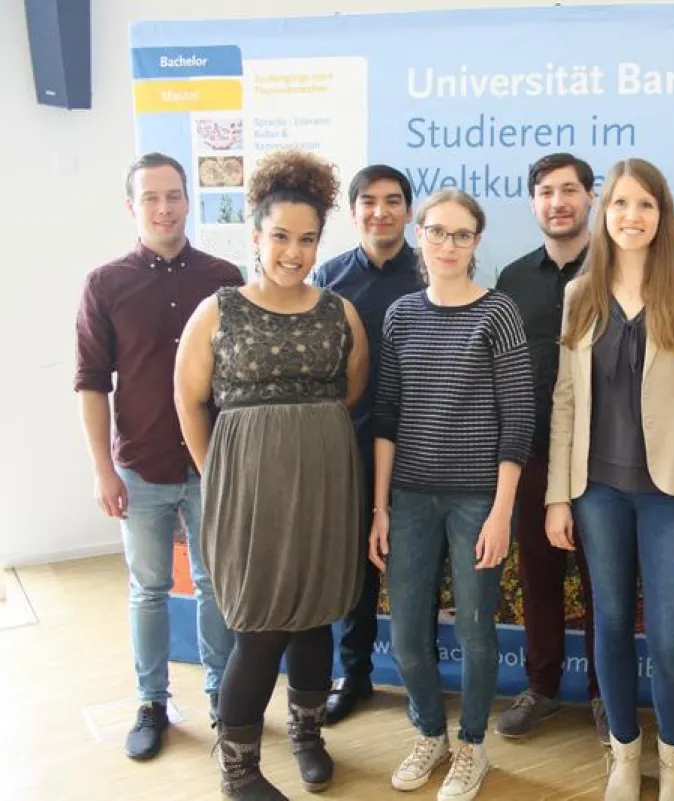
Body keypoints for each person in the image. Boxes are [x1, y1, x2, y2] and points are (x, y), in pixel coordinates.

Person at [174, 149, 369, 799]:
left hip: (322, 490)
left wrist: (306, 447)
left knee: (316, 618)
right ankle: (239, 772)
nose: (293, 250)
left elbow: (350, 390)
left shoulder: (338, 313)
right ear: (255, 235)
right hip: (248, 498)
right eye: (280, 236)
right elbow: (189, 399)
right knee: (259, 629)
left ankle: (308, 734)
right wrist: (225, 473)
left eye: (307, 238)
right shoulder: (219, 311)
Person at [546, 157, 674, 801]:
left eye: (645, 204)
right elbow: (564, 400)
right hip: (597, 492)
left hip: (672, 495)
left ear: (662, 214)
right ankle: (624, 753)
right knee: (613, 624)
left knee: (672, 636)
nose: (632, 216)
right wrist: (557, 497)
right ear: (604, 211)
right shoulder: (580, 293)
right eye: (621, 203)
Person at [369, 189, 534, 801]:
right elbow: (386, 415)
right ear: (418, 235)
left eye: (461, 235)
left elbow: (519, 416)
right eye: (437, 232)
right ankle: (429, 734)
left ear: (476, 243)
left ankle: (471, 747)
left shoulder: (498, 313)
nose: (447, 245)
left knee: (474, 629)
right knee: (409, 633)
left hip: (475, 502)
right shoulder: (401, 316)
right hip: (409, 497)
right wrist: (380, 507)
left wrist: (501, 511)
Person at [74, 152, 239, 761]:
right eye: (151, 198)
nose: (164, 208)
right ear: (132, 207)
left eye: (173, 195)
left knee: (216, 586)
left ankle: (225, 699)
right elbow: (92, 382)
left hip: (208, 464)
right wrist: (102, 469)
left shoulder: (224, 278)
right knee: (147, 588)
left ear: (189, 200)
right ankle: (152, 701)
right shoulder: (105, 283)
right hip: (140, 466)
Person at [494, 152, 605, 743]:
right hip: (534, 454)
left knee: (602, 580)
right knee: (538, 576)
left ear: (591, 197)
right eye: (545, 191)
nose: (558, 201)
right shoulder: (512, 279)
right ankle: (540, 688)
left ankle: (602, 694)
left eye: (569, 190)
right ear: (534, 202)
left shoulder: (617, 270)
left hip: (602, 457)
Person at [311, 164, 426, 726]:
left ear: (409, 209)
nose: (381, 211)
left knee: (419, 570)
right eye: (369, 201)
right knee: (358, 573)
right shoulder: (328, 281)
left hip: (426, 449)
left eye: (393, 200)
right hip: (351, 450)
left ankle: (420, 684)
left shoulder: (435, 273)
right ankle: (353, 676)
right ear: (353, 211)